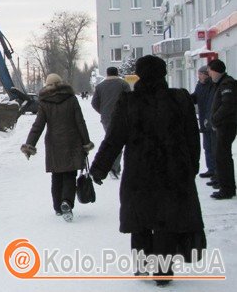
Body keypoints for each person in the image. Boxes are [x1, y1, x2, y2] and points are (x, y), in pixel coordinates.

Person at [90, 55, 204, 287]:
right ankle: (163, 271)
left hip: (139, 173)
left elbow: (114, 139)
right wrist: (191, 167)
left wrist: (99, 169)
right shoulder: (180, 99)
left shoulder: (129, 102)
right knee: (166, 220)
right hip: (173, 172)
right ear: (163, 73)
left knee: (141, 220)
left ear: (139, 75)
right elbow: (193, 137)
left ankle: (142, 266)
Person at [21, 73, 94, 223]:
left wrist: (30, 145)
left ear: (47, 85)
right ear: (61, 83)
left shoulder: (45, 102)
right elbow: (80, 122)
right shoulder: (71, 99)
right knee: (69, 174)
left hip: (54, 143)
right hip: (73, 141)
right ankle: (67, 201)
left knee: (56, 175)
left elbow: (38, 126)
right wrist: (86, 142)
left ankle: (57, 207)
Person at [91, 66, 131, 178]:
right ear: (117, 73)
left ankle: (115, 168)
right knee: (119, 141)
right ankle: (113, 168)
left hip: (106, 118)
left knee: (112, 140)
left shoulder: (99, 87)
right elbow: (130, 100)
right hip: (123, 117)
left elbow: (94, 103)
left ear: (107, 74)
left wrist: (103, 111)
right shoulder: (123, 84)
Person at [207, 59, 237, 199]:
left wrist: (215, 118)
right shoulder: (221, 83)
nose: (209, 74)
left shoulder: (227, 84)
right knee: (221, 156)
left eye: (210, 71)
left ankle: (227, 189)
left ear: (215, 71)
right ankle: (224, 184)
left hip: (226, 125)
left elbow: (227, 105)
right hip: (223, 125)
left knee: (222, 157)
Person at [190, 65, 216, 178]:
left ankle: (216, 171)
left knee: (214, 146)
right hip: (203, 119)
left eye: (200, 74)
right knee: (207, 146)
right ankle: (211, 169)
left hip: (212, 119)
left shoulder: (212, 86)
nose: (198, 76)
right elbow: (196, 97)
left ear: (206, 74)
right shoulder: (200, 85)